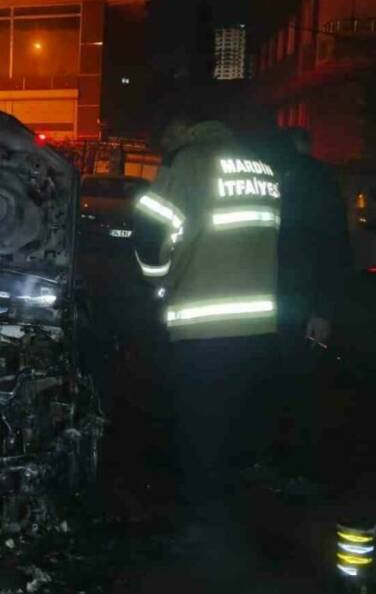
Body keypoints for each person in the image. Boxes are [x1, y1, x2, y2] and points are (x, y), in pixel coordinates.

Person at [133, 107, 283, 512]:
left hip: (202, 323)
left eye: (168, 136)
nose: (166, 145)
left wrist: (157, 279)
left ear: (188, 127)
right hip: (257, 323)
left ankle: (201, 524)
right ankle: (229, 511)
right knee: (234, 421)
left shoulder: (191, 162)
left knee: (198, 426)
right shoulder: (263, 168)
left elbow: (149, 233)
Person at [271, 127, 351, 488]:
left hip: (293, 300)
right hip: (299, 301)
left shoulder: (308, 183)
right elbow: (335, 249)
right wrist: (324, 310)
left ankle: (295, 467)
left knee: (295, 387)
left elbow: (332, 249)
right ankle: (291, 466)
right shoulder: (317, 182)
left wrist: (323, 311)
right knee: (295, 385)